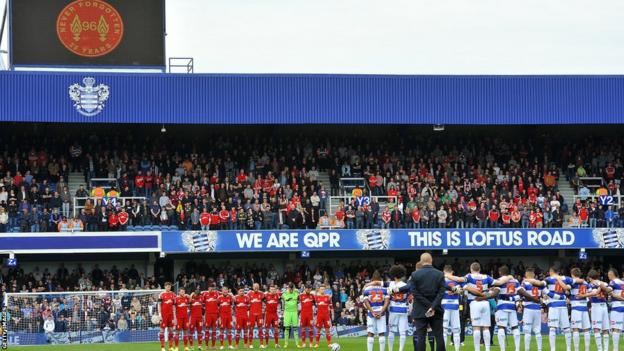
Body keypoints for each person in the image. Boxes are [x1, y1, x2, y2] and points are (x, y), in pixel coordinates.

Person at [394, 253, 446, 351]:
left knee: (421, 337)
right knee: (439, 336)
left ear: (421, 262)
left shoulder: (415, 274)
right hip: (436, 310)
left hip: (420, 310)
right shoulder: (440, 274)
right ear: (431, 261)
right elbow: (441, 293)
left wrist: (429, 306)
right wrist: (432, 306)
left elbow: (414, 293)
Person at [544, 267, 573, 351]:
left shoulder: (548, 279)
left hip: (553, 305)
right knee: (567, 329)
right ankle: (568, 349)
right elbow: (571, 287)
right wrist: (564, 296)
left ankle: (553, 349)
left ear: (551, 272)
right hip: (563, 305)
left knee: (552, 328)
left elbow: (541, 285)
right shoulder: (566, 278)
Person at [362, 270, 390, 351]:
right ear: (380, 279)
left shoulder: (367, 288)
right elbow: (387, 302)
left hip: (371, 314)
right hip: (382, 313)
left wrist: (372, 312)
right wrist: (381, 312)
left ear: (372, 279)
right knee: (381, 333)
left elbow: (366, 301)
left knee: (370, 333)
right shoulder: (385, 288)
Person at [586, 269, 612, 351]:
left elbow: (593, 294)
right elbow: (609, 290)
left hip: (596, 306)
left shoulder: (590, 285)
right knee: (605, 329)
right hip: (604, 306)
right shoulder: (604, 283)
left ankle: (600, 349)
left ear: (590, 277)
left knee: (596, 328)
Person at [519, 268, 544, 351]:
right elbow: (543, 295)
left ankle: (527, 349)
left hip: (528, 308)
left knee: (527, 331)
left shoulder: (524, 283)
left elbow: (522, 295)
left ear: (526, 275)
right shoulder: (539, 284)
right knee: (537, 330)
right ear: (533, 274)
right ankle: (539, 349)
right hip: (537, 308)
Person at [388, 265, 409, 351]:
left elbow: (389, 295)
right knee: (402, 332)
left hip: (393, 308)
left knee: (391, 331)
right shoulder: (405, 285)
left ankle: (390, 349)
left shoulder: (391, 284)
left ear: (393, 274)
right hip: (403, 308)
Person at [442, 265, 464, 351]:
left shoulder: (441, 280)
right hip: (455, 305)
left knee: (444, 330)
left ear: (444, 271)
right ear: (452, 272)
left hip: (444, 305)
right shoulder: (457, 280)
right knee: (456, 330)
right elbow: (462, 292)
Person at [314, 283, 334, 347]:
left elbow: (331, 306)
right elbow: (315, 308)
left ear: (325, 290)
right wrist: (314, 317)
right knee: (318, 330)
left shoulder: (328, 297)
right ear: (319, 290)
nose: (322, 290)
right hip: (319, 316)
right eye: (321, 289)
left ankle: (329, 344)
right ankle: (317, 344)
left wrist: (332, 315)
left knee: (327, 330)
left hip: (326, 316)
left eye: (323, 289)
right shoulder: (316, 297)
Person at [158, 282, 177, 351]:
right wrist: (160, 314)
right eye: (167, 286)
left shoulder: (173, 295)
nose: (168, 287)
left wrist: (175, 317)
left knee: (171, 331)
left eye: (169, 286)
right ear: (165, 287)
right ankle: (162, 347)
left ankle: (170, 347)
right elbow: (159, 305)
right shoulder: (161, 295)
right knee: (162, 330)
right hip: (163, 315)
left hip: (171, 315)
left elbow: (174, 306)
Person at [608, 269, 623, 351]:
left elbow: (609, 290)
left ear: (612, 274)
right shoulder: (622, 282)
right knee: (619, 328)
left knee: (615, 329)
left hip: (617, 307)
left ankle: (615, 349)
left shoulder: (613, 282)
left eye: (609, 274)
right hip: (622, 307)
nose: (608, 276)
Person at [281, 283, 300, 348]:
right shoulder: (284, 294)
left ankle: (297, 344)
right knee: (286, 328)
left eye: (292, 288)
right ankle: (286, 344)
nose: (291, 289)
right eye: (290, 288)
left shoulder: (297, 293)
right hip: (287, 312)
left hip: (294, 312)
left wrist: (296, 290)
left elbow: (299, 295)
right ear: (288, 287)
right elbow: (284, 298)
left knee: (295, 328)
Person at [247, 283, 265, 348]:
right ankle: (251, 344)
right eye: (255, 287)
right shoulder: (249, 294)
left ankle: (261, 344)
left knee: (260, 328)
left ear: (259, 287)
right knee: (251, 329)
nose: (256, 288)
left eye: (257, 287)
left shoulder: (262, 294)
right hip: (252, 314)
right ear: (253, 287)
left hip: (259, 314)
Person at [202, 284, 220, 349]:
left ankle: (213, 345)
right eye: (210, 288)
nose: (211, 290)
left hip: (215, 314)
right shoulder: (205, 294)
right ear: (208, 288)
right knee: (207, 329)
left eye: (212, 288)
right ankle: (206, 346)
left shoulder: (217, 294)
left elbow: (221, 299)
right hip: (208, 314)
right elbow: (201, 302)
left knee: (214, 330)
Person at [174, 287, 190, 351]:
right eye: (181, 291)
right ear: (179, 292)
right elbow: (173, 308)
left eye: (184, 291)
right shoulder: (176, 299)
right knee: (177, 332)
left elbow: (191, 301)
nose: (183, 293)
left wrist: (189, 296)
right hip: (178, 318)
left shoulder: (186, 298)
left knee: (185, 332)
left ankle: (185, 347)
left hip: (185, 317)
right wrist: (174, 317)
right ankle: (176, 347)